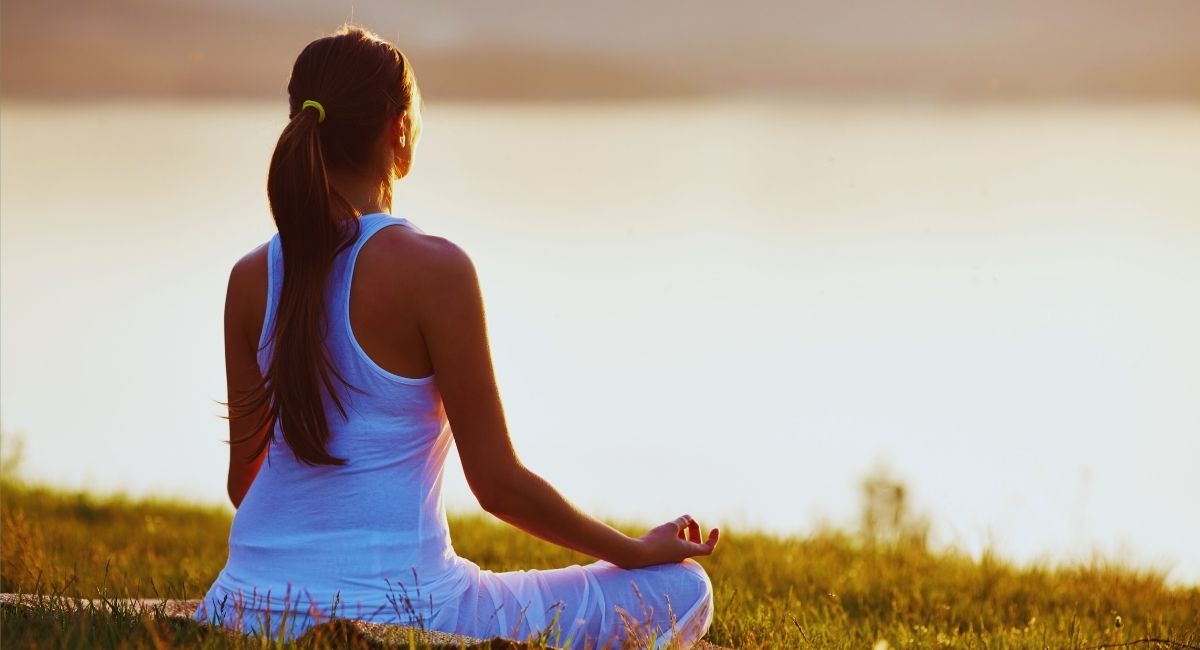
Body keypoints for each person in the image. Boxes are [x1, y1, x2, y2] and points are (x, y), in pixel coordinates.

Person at [193, 24, 719, 649]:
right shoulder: (435, 270)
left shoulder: (251, 277)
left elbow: (242, 485)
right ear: (399, 129)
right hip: (409, 610)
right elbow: (496, 484)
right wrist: (632, 550)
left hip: (240, 603)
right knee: (684, 589)